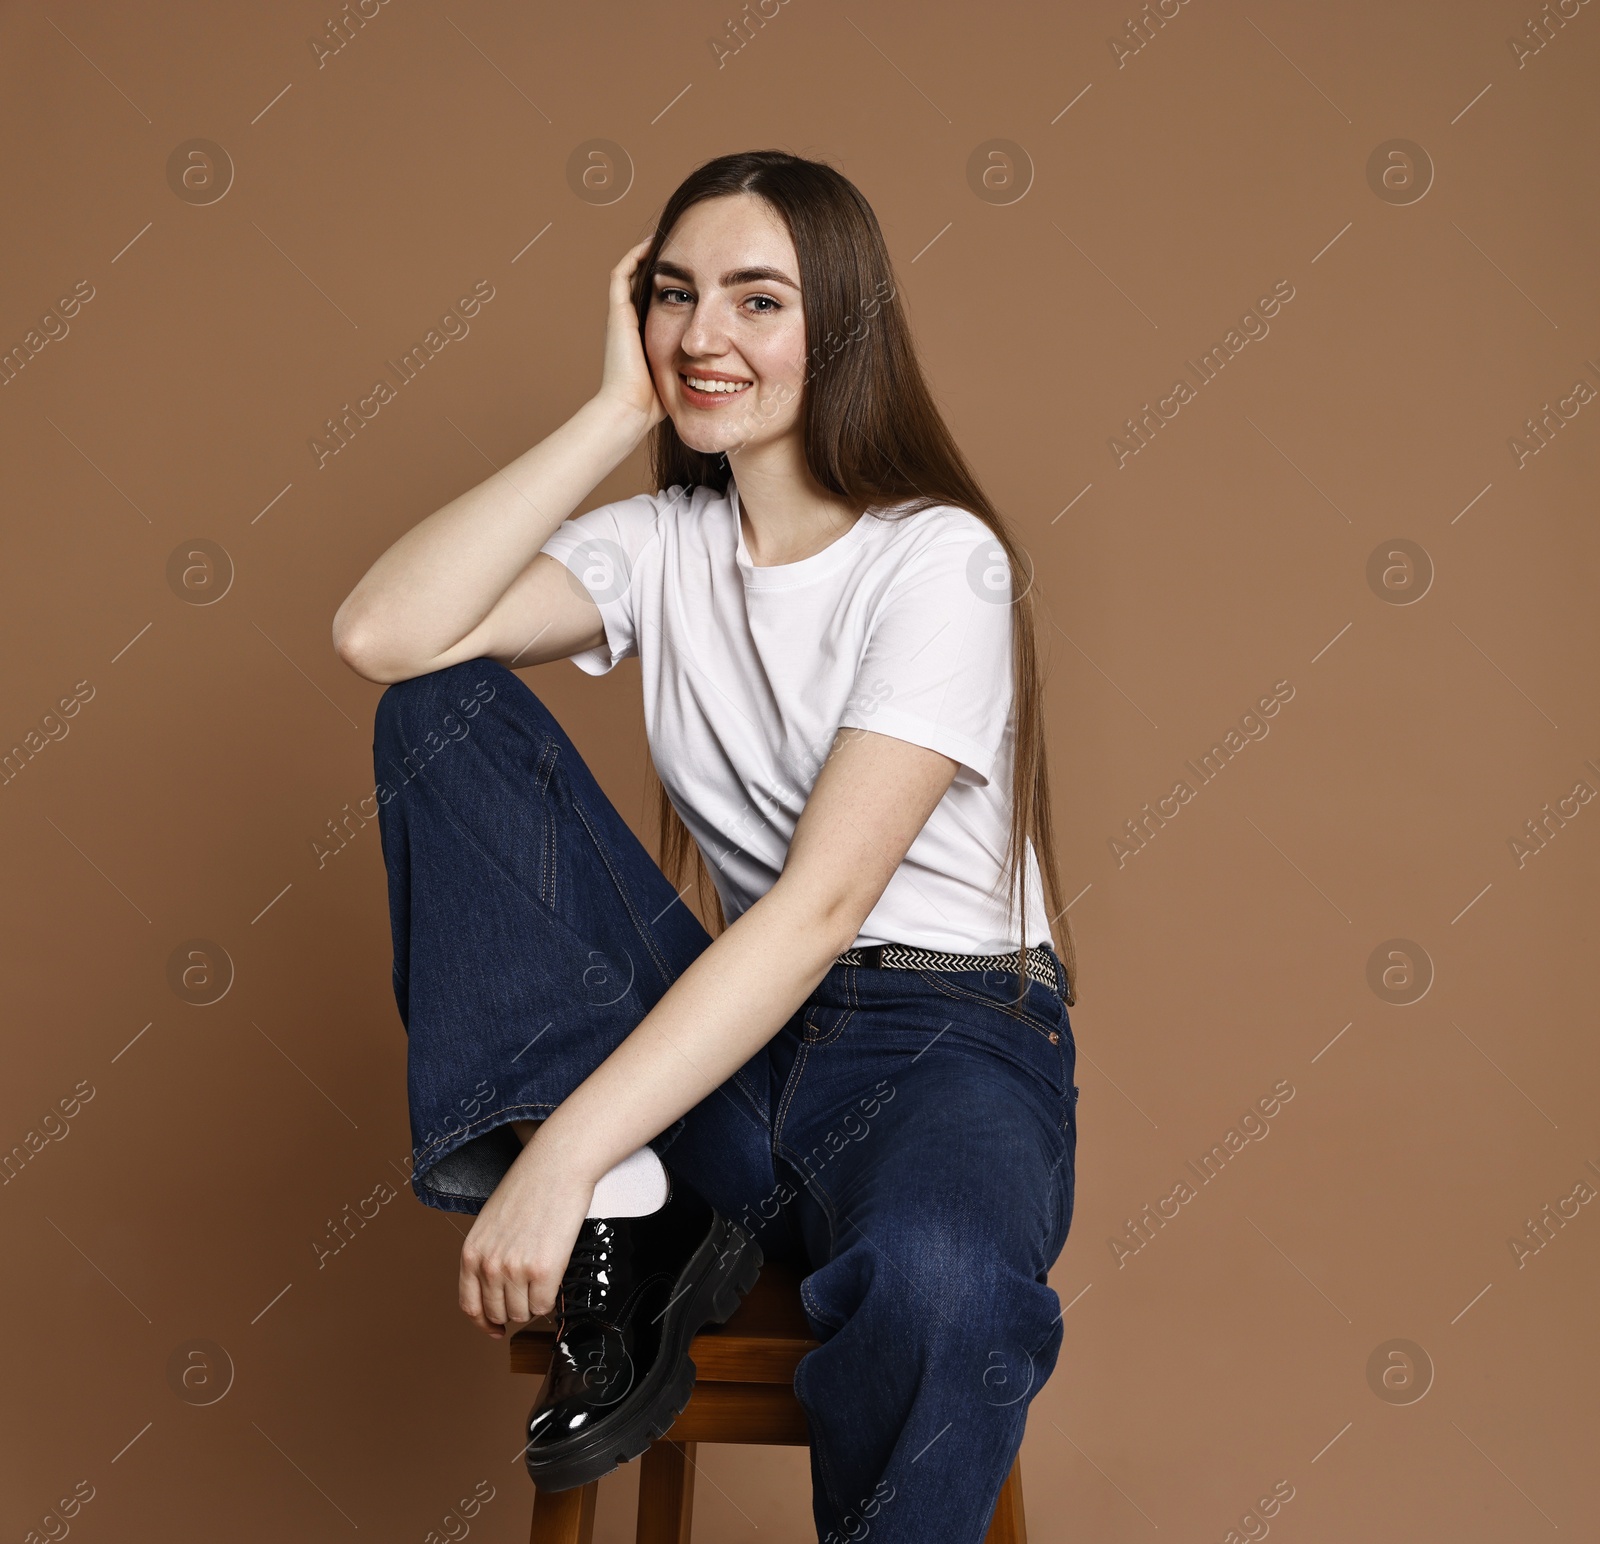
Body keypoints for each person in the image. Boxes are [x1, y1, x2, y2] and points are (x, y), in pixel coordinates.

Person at [332, 148, 1079, 1544]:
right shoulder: (657, 541)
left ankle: (613, 1177)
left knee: (943, 1283)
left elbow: (817, 908)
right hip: (732, 1044)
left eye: (758, 300)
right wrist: (613, 408)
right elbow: (386, 637)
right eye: (675, 296)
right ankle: (641, 1196)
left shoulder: (938, 560)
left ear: (839, 325)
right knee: (438, 708)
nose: (703, 336)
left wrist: (557, 1154)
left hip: (942, 1039)